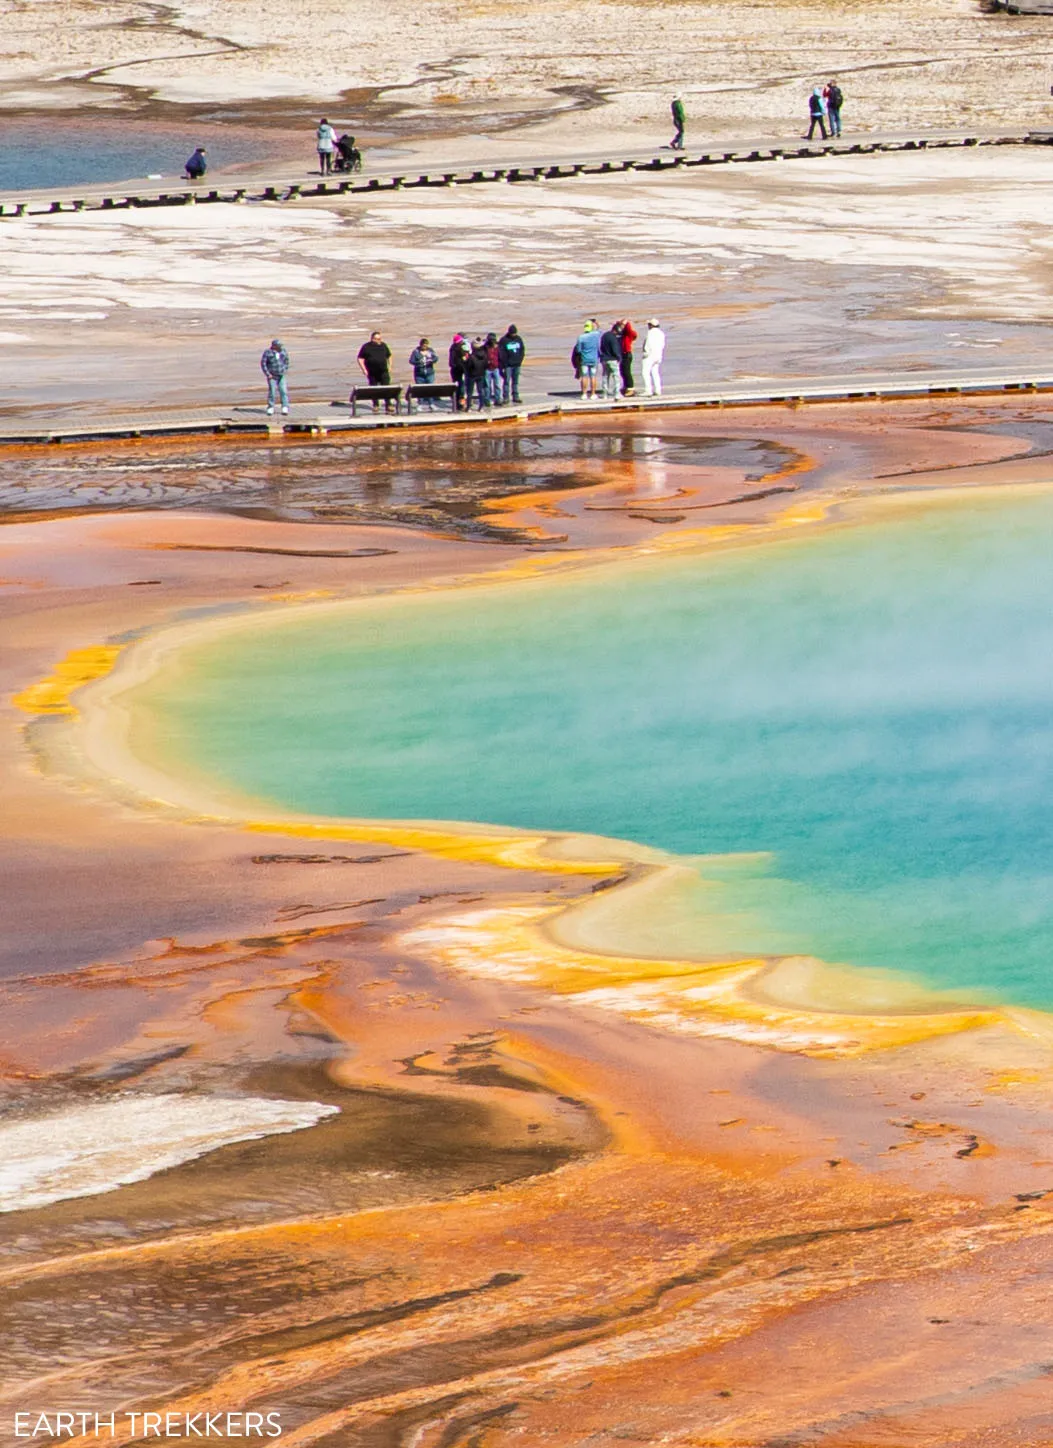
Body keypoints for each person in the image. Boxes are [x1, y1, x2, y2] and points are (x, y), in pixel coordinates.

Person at [357, 329, 393, 410]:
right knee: (374, 388)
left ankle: (388, 404)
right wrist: (364, 369)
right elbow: (360, 358)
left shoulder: (383, 345)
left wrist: (390, 366)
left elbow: (389, 356)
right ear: (372, 339)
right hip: (372, 372)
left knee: (386, 388)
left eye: (380, 339)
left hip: (383, 371)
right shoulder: (366, 347)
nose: (379, 340)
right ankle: (376, 405)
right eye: (377, 339)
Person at [260, 338, 290, 415]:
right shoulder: (268, 352)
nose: (280, 347)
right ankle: (270, 407)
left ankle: (285, 407)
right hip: (272, 376)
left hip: (281, 375)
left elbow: (286, 361)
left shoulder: (283, 351)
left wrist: (285, 370)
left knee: (283, 391)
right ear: (274, 346)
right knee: (272, 392)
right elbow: (263, 364)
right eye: (278, 346)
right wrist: (268, 374)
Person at [498, 324, 525, 404]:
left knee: (515, 382)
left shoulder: (519, 339)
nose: (514, 335)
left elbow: (522, 350)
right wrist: (504, 363)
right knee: (506, 381)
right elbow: (501, 353)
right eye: (512, 333)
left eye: (515, 333)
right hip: (508, 365)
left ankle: (515, 396)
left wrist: (520, 360)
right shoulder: (504, 340)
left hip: (517, 364)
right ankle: (506, 397)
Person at [575, 321, 601, 399]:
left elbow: (578, 350)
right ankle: (593, 394)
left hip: (584, 360)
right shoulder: (596, 335)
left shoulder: (581, 337)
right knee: (593, 376)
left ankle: (584, 394)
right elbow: (599, 330)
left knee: (584, 376)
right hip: (594, 359)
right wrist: (596, 323)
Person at [409, 337, 438, 408]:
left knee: (430, 388)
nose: (425, 347)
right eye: (424, 345)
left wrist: (431, 360)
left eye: (426, 345)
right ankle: (420, 404)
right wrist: (418, 362)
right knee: (420, 389)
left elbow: (436, 358)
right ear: (421, 345)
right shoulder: (416, 351)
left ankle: (431, 403)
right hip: (419, 374)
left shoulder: (430, 351)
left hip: (429, 373)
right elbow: (411, 361)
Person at [642, 318, 666, 397]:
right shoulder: (661, 333)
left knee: (645, 372)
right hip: (658, 355)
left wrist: (645, 353)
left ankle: (648, 390)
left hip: (650, 356)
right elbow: (662, 345)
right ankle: (658, 390)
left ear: (651, 325)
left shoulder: (650, 333)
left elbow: (648, 345)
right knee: (655, 372)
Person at [599, 323, 623, 400]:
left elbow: (601, 347)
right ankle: (617, 394)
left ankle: (605, 394)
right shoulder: (613, 338)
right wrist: (619, 357)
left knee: (605, 376)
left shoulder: (604, 336)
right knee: (616, 377)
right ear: (615, 330)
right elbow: (615, 349)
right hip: (612, 359)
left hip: (604, 359)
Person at [466, 337, 490, 410]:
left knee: (470, 391)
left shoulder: (472, 356)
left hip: (472, 375)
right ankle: (481, 406)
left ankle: (469, 407)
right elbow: (486, 365)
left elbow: (469, 366)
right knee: (480, 391)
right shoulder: (485, 355)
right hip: (481, 374)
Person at [448, 333, 470, 409]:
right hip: (461, 369)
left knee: (457, 386)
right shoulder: (462, 347)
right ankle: (461, 404)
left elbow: (451, 361)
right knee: (462, 388)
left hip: (455, 369)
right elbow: (466, 357)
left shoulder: (452, 348)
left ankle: (457, 403)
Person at [619, 318, 638, 396]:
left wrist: (627, 324)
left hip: (627, 354)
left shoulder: (629, 334)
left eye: (623, 325)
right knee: (622, 371)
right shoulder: (623, 334)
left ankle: (631, 388)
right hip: (623, 354)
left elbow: (633, 334)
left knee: (627, 372)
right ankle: (626, 386)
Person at [484, 332, 502, 406]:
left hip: (496, 368)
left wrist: (501, 367)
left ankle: (497, 400)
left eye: (493, 340)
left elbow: (501, 357)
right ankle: (487, 400)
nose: (492, 341)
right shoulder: (485, 347)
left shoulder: (498, 347)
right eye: (491, 340)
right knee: (487, 386)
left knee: (497, 385)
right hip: (487, 369)